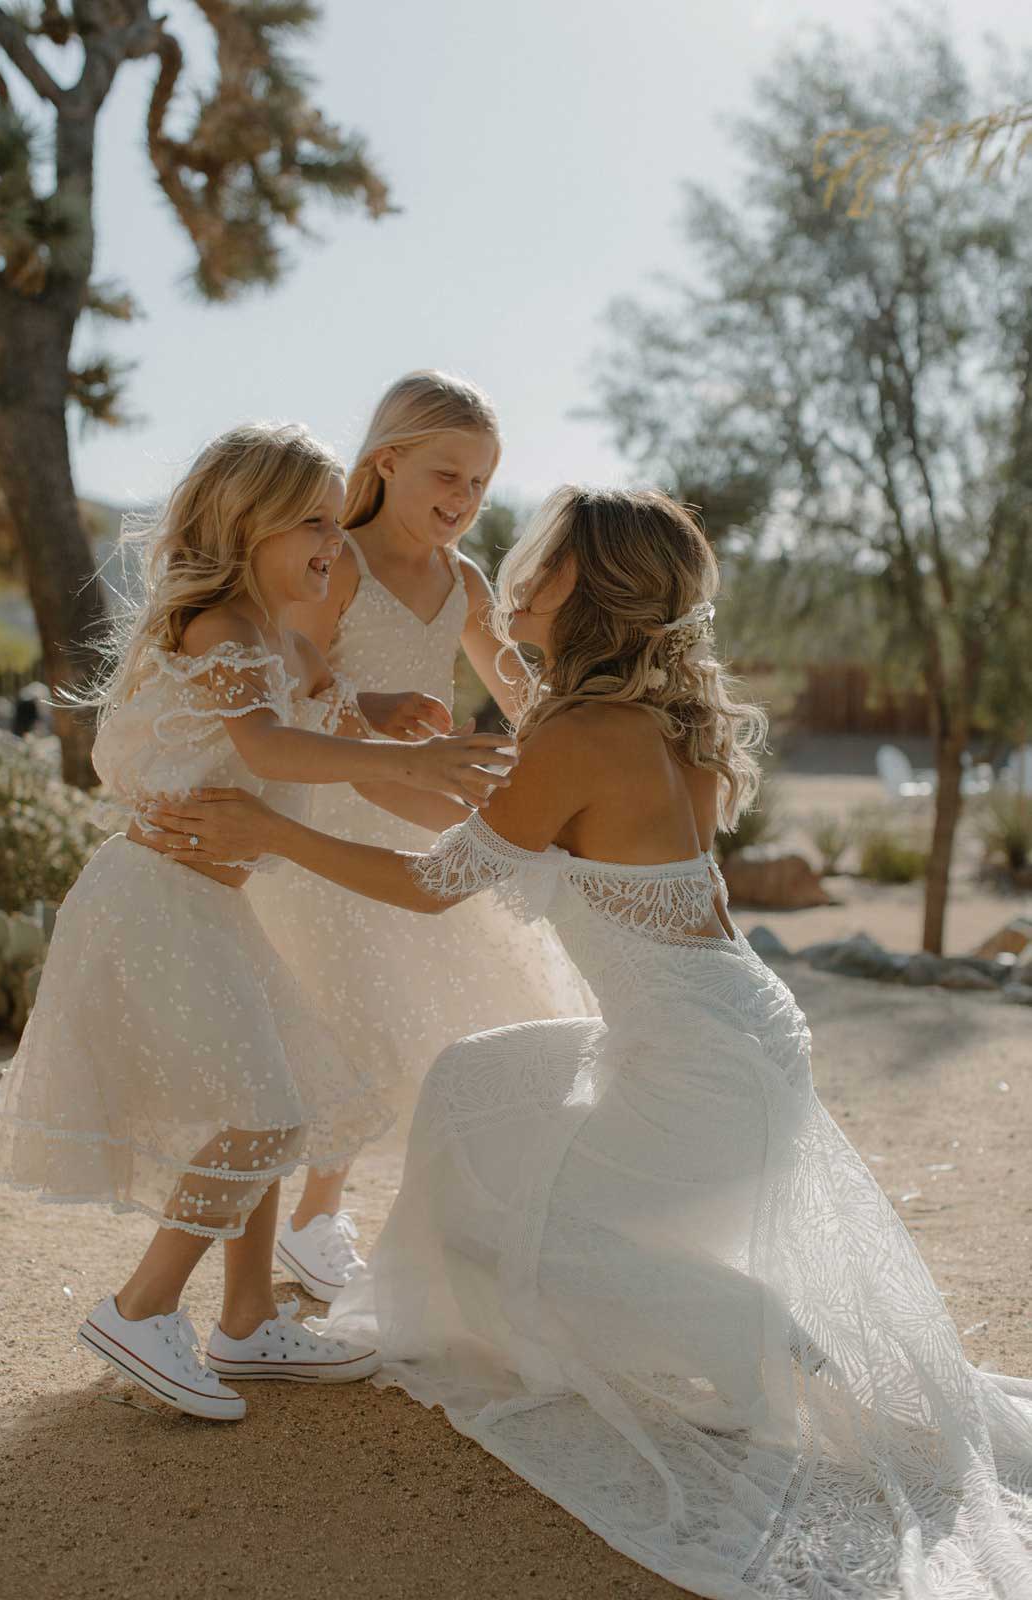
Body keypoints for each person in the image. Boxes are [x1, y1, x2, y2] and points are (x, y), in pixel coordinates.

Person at [146, 484, 1032, 1592]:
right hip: (735, 1037)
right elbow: (506, 843)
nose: (517, 563)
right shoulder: (659, 727)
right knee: (474, 1081)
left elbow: (435, 887)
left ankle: (761, 1335)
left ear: (579, 583)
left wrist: (266, 827)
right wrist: (377, 746)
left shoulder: (574, 730)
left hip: (698, 1064)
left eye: (544, 554)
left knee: (517, 1254)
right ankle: (722, 1317)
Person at [0, 422, 510, 1423]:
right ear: (243, 525)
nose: (332, 539)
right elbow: (265, 745)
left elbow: (311, 696)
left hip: (212, 900)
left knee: (289, 1093)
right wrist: (404, 766)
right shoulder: (217, 624)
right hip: (157, 898)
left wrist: (379, 706)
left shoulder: (276, 635)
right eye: (311, 521)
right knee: (264, 1109)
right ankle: (139, 1309)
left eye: (330, 519)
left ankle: (249, 1316)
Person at [248, 371, 592, 1303]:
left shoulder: (466, 580)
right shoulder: (339, 564)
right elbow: (300, 681)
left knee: (419, 1027)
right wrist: (384, 723)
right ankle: (309, 1220)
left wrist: (579, 732)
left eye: (479, 485)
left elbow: (516, 687)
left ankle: (327, 1218)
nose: (462, 499)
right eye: (446, 475)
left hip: (430, 815)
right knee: (349, 1020)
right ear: (386, 463)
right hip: (344, 813)